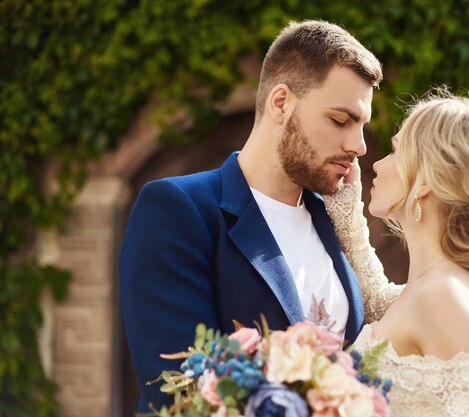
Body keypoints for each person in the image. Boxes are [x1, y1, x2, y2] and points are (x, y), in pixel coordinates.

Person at [118, 20, 398, 412]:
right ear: (280, 102)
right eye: (340, 120)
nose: (359, 146)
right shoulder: (179, 209)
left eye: (362, 126)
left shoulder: (333, 219)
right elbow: (179, 394)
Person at [324, 89, 469, 416]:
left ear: (425, 180)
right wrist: (348, 211)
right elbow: (377, 302)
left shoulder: (444, 294)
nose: (377, 164)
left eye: (394, 151)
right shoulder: (444, 286)